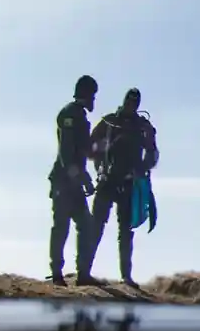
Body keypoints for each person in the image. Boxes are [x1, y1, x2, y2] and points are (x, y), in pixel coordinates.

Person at [78, 87, 160, 286]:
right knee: (96, 227)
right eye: (129, 101)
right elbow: (90, 147)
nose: (132, 104)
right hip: (107, 181)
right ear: (124, 101)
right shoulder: (109, 122)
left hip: (129, 183)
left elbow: (152, 151)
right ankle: (84, 272)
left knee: (126, 231)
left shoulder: (143, 126)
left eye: (135, 102)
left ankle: (126, 276)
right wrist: (100, 163)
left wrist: (142, 169)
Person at [48, 74, 98, 285]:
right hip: (64, 181)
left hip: (74, 182)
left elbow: (82, 151)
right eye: (92, 95)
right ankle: (57, 274)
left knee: (85, 225)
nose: (94, 100)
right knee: (62, 226)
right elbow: (66, 153)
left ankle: (83, 275)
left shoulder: (79, 115)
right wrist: (81, 177)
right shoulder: (70, 114)